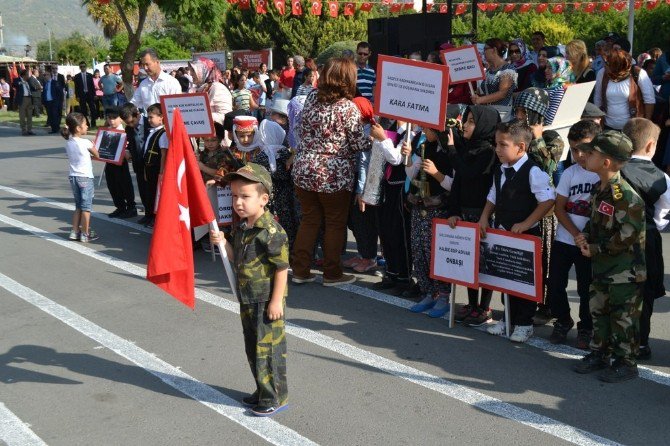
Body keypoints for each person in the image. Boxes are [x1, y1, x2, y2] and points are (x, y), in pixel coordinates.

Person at [291, 58, 387, 286]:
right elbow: (356, 144)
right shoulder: (347, 107)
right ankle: (332, 274)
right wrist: (375, 138)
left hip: (304, 168)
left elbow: (303, 129)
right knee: (335, 223)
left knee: (309, 220)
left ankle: (300, 271)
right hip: (333, 173)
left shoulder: (312, 97)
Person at [209, 163, 290, 417]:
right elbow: (236, 258)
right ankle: (261, 389)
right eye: (234, 196)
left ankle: (274, 396)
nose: (238, 202)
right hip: (248, 298)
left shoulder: (271, 231)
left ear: (263, 199)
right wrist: (223, 243)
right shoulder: (242, 227)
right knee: (253, 348)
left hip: (266, 301)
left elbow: (281, 268)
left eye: (245, 196)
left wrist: (276, 301)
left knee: (268, 352)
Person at [574, 131, 646, 383]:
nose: (584, 155)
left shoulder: (625, 196)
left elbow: (626, 236)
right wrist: (584, 237)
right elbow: (596, 223)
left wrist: (595, 249)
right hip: (603, 267)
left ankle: (625, 363)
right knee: (599, 311)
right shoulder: (600, 189)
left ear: (605, 162)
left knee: (622, 318)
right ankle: (599, 353)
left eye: (591, 153)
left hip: (624, 271)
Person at [480, 120, 556, 343]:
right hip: (504, 233)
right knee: (506, 278)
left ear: (521, 147)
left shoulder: (533, 171)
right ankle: (508, 318)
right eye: (496, 144)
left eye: (503, 145)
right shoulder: (500, 169)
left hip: (526, 236)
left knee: (524, 281)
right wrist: (485, 216)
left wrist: (525, 223)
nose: (497, 149)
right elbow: (493, 195)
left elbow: (547, 200)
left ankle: (524, 323)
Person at [546, 120, 601, 347]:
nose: (579, 154)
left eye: (584, 148)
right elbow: (559, 207)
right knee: (556, 283)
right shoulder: (570, 173)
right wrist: (576, 233)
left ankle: (586, 327)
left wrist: (585, 237)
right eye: (574, 149)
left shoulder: (602, 174)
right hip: (566, 239)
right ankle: (563, 320)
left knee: (585, 288)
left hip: (589, 243)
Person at [621, 118, 670, 361]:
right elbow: (662, 214)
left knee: (617, 290)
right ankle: (641, 343)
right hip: (646, 239)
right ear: (651, 146)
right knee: (645, 292)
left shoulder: (614, 168)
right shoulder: (661, 177)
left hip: (616, 240)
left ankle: (614, 339)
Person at [400, 124, 454, 317]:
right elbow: (412, 174)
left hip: (438, 210)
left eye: (429, 129)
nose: (425, 132)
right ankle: (428, 292)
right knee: (419, 250)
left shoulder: (450, 153)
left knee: (436, 253)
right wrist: (408, 158)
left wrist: (436, 173)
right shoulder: (424, 147)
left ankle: (443, 296)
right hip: (419, 207)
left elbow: (454, 185)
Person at [61, 112, 100, 243]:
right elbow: (97, 154)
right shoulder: (86, 142)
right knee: (86, 207)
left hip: (73, 177)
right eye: (85, 124)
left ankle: (75, 231)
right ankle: (85, 233)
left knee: (78, 206)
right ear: (78, 128)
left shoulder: (69, 142)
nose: (87, 126)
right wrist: (94, 146)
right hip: (85, 178)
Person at [594, 49, 656, 130]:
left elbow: (649, 100)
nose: (605, 65)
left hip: (633, 128)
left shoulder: (638, 73)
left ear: (619, 64)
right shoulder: (602, 73)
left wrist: (646, 124)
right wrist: (598, 121)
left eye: (608, 63)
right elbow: (597, 98)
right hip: (607, 127)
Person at [104, 106, 137, 219]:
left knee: (124, 184)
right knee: (112, 184)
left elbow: (130, 147)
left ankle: (131, 207)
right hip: (109, 162)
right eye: (109, 118)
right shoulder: (106, 130)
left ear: (120, 119)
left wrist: (127, 151)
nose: (111, 120)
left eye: (114, 118)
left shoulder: (125, 131)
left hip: (121, 163)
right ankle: (120, 206)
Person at [120, 103, 152, 224]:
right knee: (143, 190)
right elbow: (129, 142)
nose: (130, 125)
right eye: (127, 123)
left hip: (151, 164)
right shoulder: (129, 128)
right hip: (138, 164)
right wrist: (127, 151)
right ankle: (148, 214)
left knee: (152, 191)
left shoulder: (149, 123)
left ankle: (154, 215)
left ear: (137, 115)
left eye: (132, 122)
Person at [141, 103, 168, 228]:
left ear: (161, 117)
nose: (149, 120)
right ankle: (149, 215)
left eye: (152, 117)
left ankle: (155, 218)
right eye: (148, 117)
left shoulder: (163, 133)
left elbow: (163, 154)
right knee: (149, 193)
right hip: (148, 167)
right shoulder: (152, 131)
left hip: (156, 168)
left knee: (155, 194)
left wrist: (161, 173)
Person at [131, 48, 182, 113]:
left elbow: (177, 107)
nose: (145, 68)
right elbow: (134, 102)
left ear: (157, 62)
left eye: (147, 64)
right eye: (143, 65)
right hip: (149, 122)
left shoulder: (171, 82)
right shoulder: (143, 84)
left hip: (169, 121)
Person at [472, 38, 517, 108]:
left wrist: (481, 99)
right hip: (488, 111)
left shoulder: (508, 69)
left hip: (502, 114)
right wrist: (477, 95)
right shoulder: (489, 71)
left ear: (494, 50)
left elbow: (503, 93)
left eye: (485, 49)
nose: (483, 52)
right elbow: (485, 92)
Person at [544, 57, 575, 126]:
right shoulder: (552, 86)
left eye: (550, 68)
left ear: (560, 69)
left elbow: (551, 118)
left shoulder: (560, 88)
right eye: (546, 68)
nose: (546, 70)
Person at [73, 62, 97, 127]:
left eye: (84, 66)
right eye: (81, 67)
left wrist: (94, 94)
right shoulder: (77, 76)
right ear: (79, 68)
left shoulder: (89, 75)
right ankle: (87, 123)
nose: (83, 68)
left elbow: (92, 86)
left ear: (86, 67)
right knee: (83, 110)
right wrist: (77, 96)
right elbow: (76, 87)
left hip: (90, 94)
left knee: (92, 109)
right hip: (82, 95)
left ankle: (93, 122)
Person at [13, 69, 35, 136]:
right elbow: (14, 84)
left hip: (29, 98)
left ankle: (29, 130)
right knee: (22, 115)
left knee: (29, 115)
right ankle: (24, 130)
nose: (28, 76)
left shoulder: (28, 81)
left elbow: (32, 88)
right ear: (23, 75)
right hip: (22, 99)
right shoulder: (17, 79)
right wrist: (21, 83)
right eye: (27, 74)